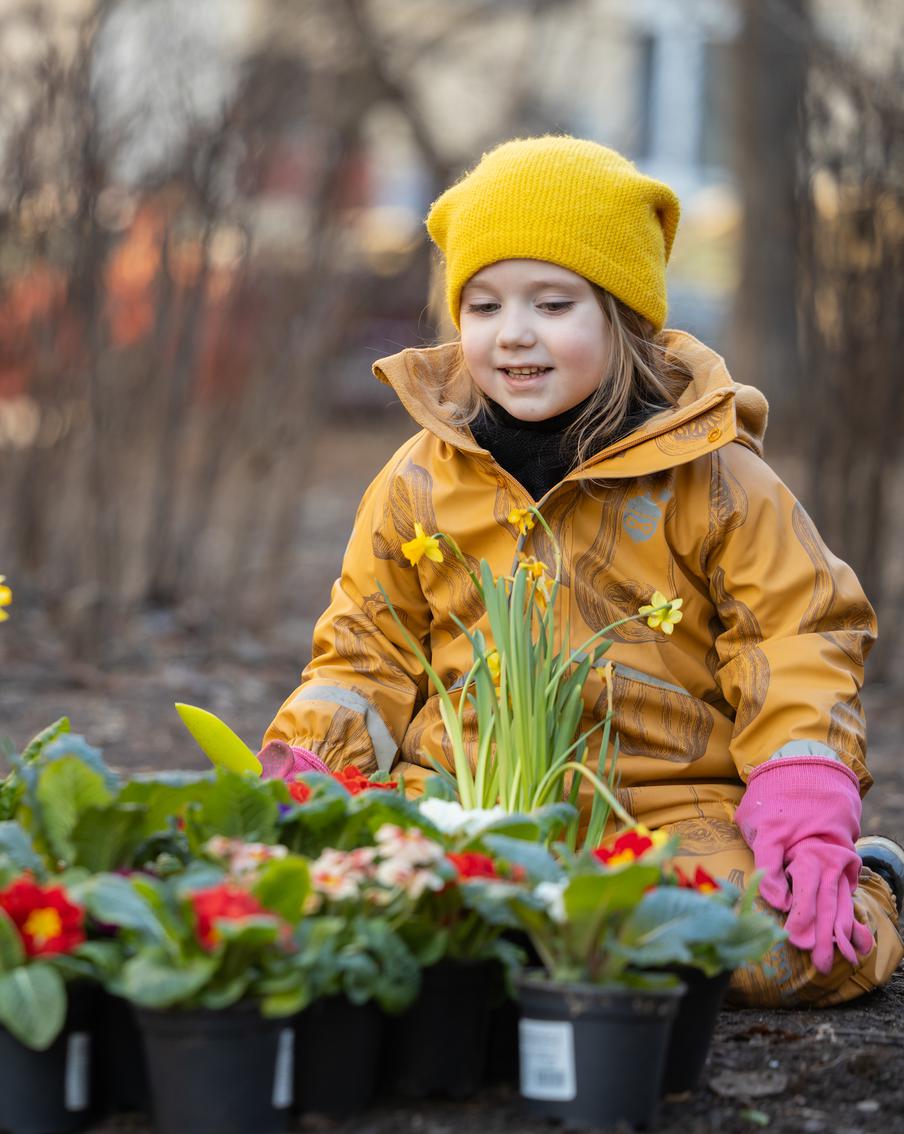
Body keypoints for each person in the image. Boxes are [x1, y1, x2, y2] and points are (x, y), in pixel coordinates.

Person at [262, 136, 904, 1007]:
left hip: (667, 806)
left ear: (623, 315)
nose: (513, 333)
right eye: (483, 306)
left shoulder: (715, 476)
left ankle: (866, 880)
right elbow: (364, 647)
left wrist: (801, 783)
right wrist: (317, 764)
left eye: (553, 303)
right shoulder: (420, 478)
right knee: (386, 936)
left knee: (778, 954)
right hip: (467, 800)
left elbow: (795, 634)